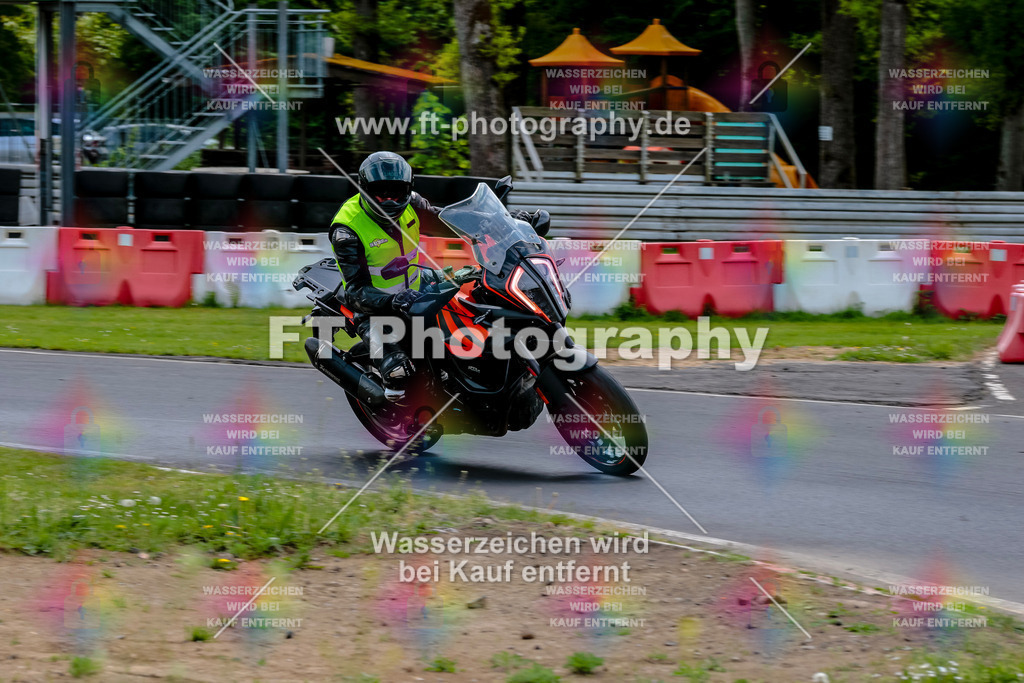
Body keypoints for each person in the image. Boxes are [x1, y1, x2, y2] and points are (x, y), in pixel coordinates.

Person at [329, 151, 546, 400]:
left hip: (418, 284)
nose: (389, 199)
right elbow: (355, 292)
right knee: (398, 374)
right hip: (374, 308)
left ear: (408, 188)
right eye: (381, 192)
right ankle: (393, 408)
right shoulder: (347, 230)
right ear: (364, 189)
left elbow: (450, 221)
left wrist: (503, 220)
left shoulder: (412, 203)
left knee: (478, 298)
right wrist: (392, 301)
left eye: (396, 191)